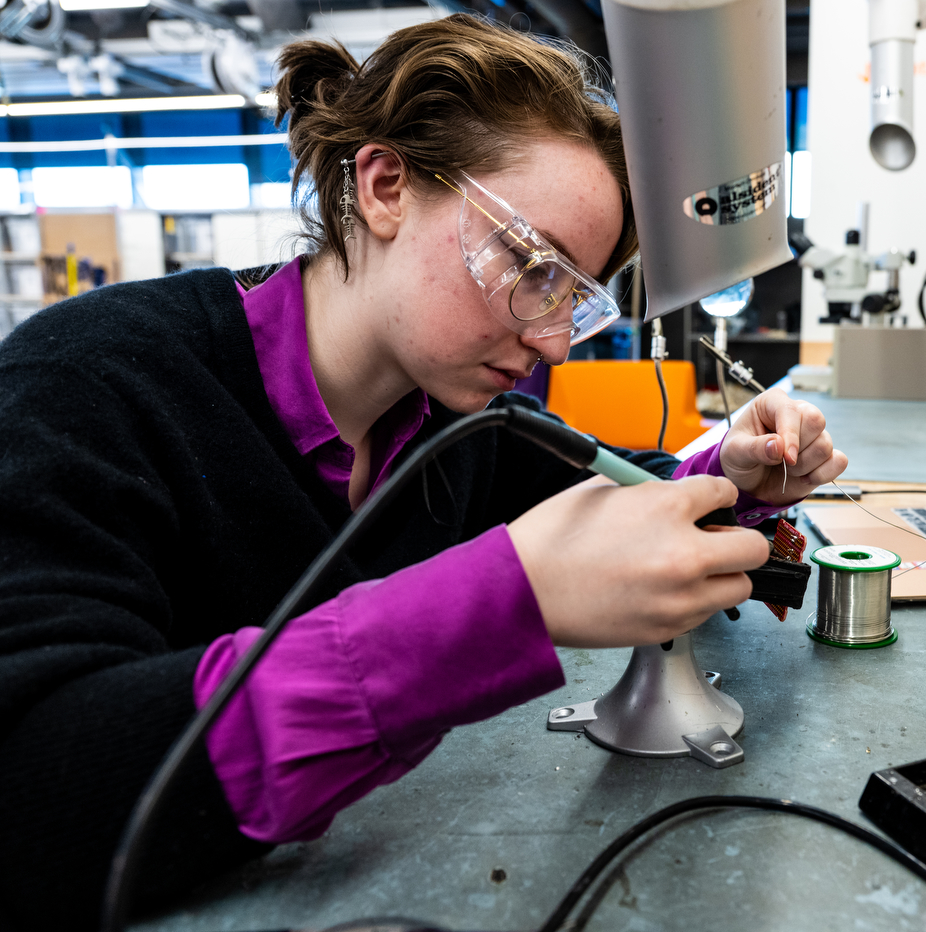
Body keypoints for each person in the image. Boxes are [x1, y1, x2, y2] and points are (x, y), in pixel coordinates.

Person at [0, 13, 847, 930]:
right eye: (531, 265)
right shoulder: (88, 384)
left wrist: (736, 469)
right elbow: (31, 787)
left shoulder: (457, 424)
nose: (553, 339)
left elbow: (621, 490)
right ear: (386, 185)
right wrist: (501, 603)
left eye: (575, 297)